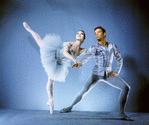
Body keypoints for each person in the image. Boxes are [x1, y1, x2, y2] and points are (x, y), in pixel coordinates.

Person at [60, 26, 132, 120]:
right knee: (83, 91)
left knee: (126, 87)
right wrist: (79, 63)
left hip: (108, 75)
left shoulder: (112, 46)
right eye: (95, 33)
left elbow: (119, 59)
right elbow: (87, 56)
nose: (96, 34)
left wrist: (116, 72)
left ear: (104, 34)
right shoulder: (94, 47)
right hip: (96, 75)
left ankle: (121, 113)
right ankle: (70, 107)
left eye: (98, 32)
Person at [23, 22, 86, 114]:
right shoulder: (69, 43)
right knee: (39, 40)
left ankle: (51, 102)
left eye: (82, 34)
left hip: (59, 63)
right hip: (53, 53)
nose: (79, 35)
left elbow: (90, 53)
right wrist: (75, 60)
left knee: (51, 81)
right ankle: (29, 29)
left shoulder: (82, 50)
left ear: (84, 38)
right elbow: (65, 53)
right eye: (78, 33)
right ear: (76, 36)